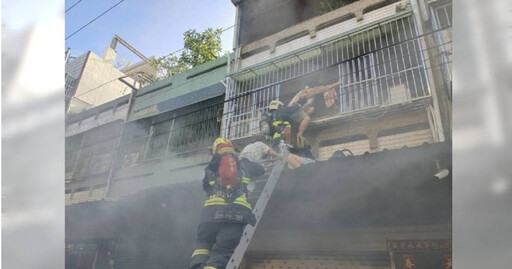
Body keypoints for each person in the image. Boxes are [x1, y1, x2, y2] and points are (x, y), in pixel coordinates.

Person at [190, 138, 256, 269]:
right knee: (223, 252)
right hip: (235, 215)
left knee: (202, 245)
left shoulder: (210, 167)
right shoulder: (243, 163)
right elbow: (261, 170)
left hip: (209, 214)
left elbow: (206, 187)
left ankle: (197, 266)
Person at [273, 80, 342, 148]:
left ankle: (286, 142)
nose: (306, 89)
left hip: (292, 112)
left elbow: (291, 104)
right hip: (294, 111)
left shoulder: (304, 93)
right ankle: (298, 136)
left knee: (310, 110)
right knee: (306, 118)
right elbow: (326, 87)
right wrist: (338, 83)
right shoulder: (310, 91)